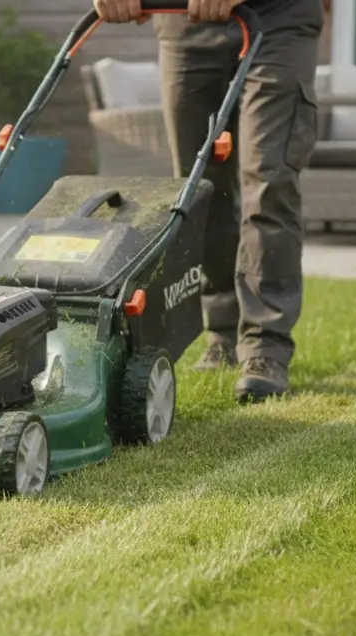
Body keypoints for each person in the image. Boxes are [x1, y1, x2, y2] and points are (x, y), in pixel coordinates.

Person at [91, 0, 324, 403]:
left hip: (278, 18)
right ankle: (222, 330)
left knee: (268, 181)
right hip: (185, 20)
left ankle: (265, 347)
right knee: (199, 189)